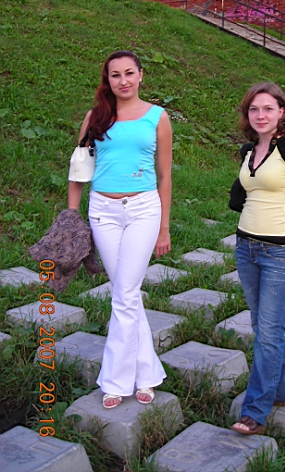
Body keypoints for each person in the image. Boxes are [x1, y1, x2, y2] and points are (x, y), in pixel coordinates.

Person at [68, 50, 172, 409]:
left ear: (141, 75)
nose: (123, 80)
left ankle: (114, 381)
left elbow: (165, 175)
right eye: (115, 75)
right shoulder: (96, 116)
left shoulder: (157, 117)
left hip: (143, 210)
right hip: (103, 212)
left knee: (125, 294)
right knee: (126, 294)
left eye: (129, 73)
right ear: (107, 79)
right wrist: (71, 216)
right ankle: (147, 374)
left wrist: (164, 228)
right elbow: (79, 168)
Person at [230, 82, 285, 435]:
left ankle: (255, 411)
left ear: (282, 111)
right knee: (262, 327)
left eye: (268, 108)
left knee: (268, 332)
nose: (260, 115)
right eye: (254, 109)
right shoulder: (249, 151)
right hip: (245, 248)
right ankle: (282, 392)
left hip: (279, 253)